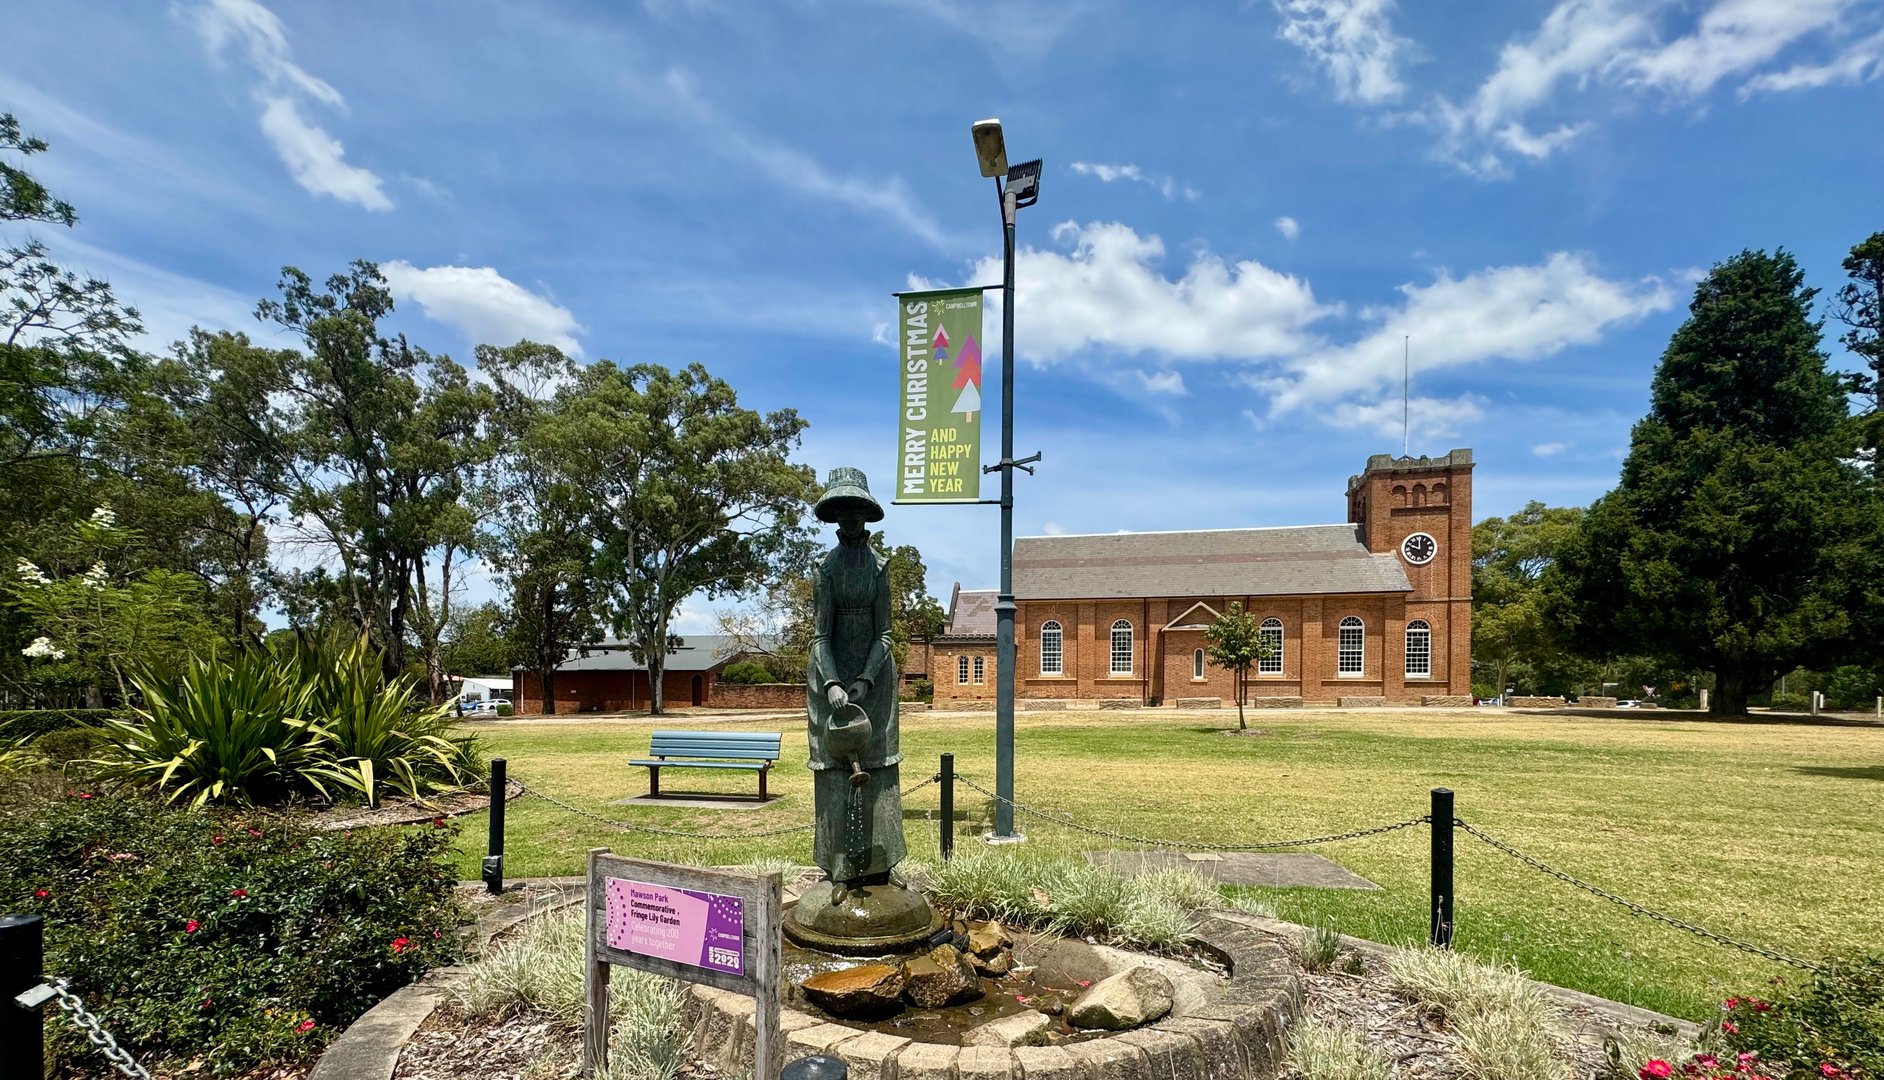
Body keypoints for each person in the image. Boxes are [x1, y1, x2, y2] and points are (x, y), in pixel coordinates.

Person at [804, 467, 904, 884]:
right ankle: (838, 866)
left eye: (855, 509)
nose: (849, 518)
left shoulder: (879, 567)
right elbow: (819, 635)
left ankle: (882, 864)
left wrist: (864, 678)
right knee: (833, 767)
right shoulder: (825, 569)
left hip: (875, 677)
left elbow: (885, 633)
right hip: (830, 675)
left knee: (879, 764)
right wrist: (832, 683)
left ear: (866, 514)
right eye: (841, 510)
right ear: (834, 516)